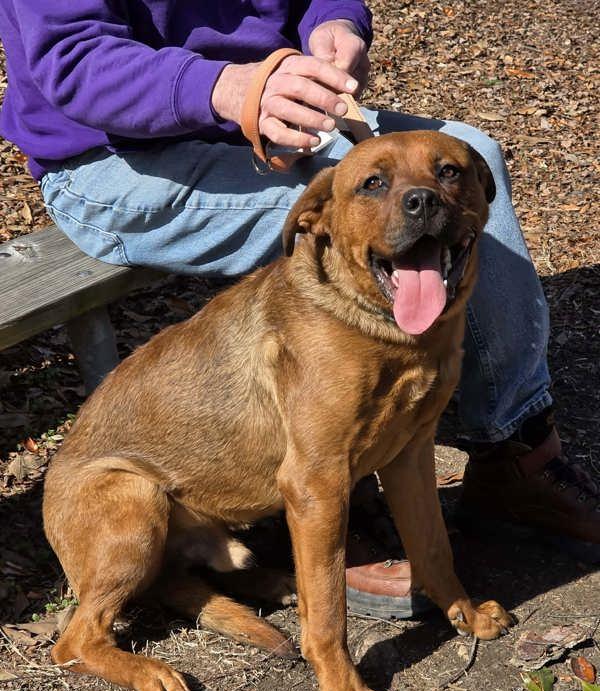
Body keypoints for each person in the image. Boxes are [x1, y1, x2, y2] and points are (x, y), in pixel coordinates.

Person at [1, 1, 598, 619]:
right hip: (115, 157)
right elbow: (69, 57)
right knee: (340, 224)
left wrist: (334, 27)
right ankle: (335, 491)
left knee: (473, 155)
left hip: (283, 123)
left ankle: (516, 450)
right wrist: (231, 87)